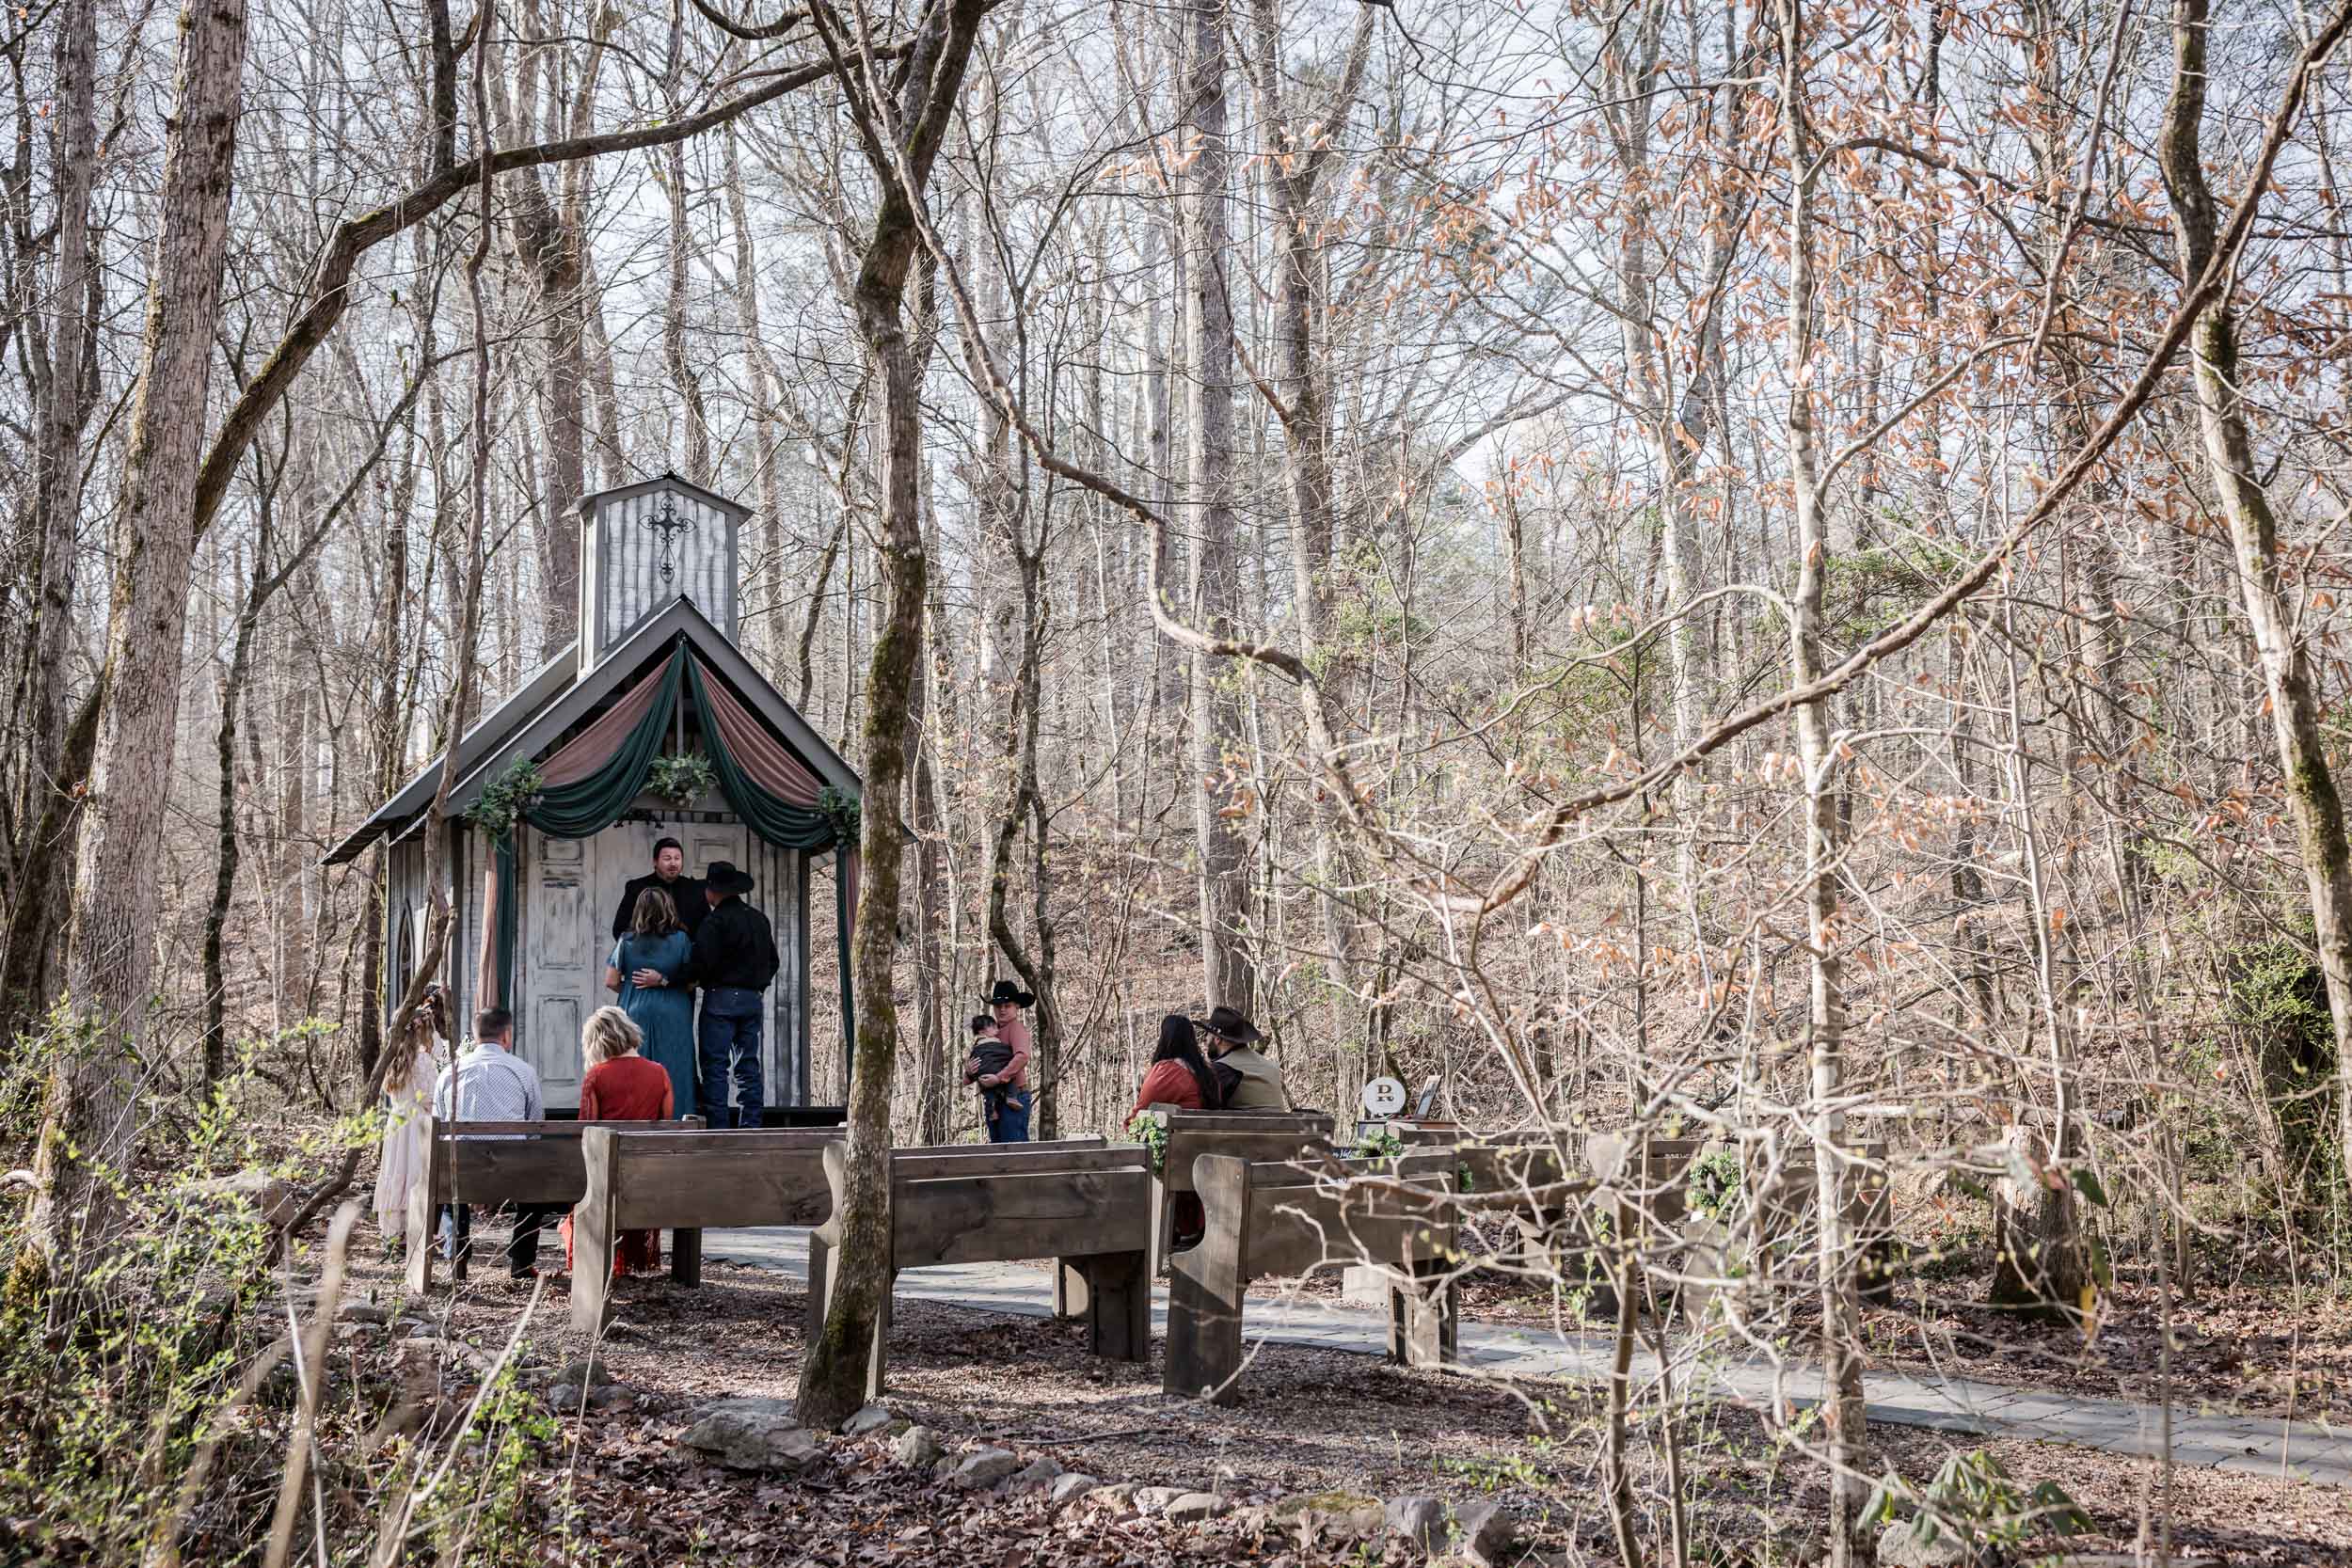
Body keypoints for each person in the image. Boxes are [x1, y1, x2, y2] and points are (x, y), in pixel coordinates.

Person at [432, 1007, 564, 1281]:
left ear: (475, 1035)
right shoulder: (523, 1071)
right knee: (534, 1195)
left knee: (449, 1190)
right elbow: (535, 1126)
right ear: (506, 1035)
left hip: (461, 1173)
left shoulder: (449, 1073)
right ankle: (521, 1261)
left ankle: (457, 1257)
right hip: (512, 1174)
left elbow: (439, 1125)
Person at [562, 1006, 675, 1277]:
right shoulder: (659, 1073)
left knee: (573, 1214)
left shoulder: (597, 1076)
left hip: (605, 1173)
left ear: (597, 1042)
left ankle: (594, 1258)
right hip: (645, 1172)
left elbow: (586, 1129)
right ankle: (634, 1259)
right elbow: (666, 1124)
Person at [689, 860, 778, 1128]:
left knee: (715, 1067)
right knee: (748, 1065)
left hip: (721, 998)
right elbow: (773, 961)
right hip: (752, 1000)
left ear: (712, 891)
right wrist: (758, 986)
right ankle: (751, 1125)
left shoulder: (714, 922)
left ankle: (719, 1128)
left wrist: (689, 979)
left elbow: (701, 962)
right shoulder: (759, 919)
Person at [605, 886, 696, 1116]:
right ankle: (678, 1121)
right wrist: (665, 981)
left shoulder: (626, 941)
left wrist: (630, 989)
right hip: (673, 1010)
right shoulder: (682, 940)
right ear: (669, 909)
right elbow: (691, 980)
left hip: (635, 1008)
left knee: (634, 1067)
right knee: (676, 1068)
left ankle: (637, 1121)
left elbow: (611, 980)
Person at [372, 984, 448, 1252]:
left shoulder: (393, 1059)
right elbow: (428, 1096)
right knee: (415, 1175)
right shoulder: (421, 1059)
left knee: (397, 1171)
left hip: (396, 1121)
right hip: (416, 1124)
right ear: (421, 1029)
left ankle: (394, 1232)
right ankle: (416, 1231)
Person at [612, 836, 707, 942]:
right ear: (655, 862)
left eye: (677, 858)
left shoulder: (695, 889)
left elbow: (705, 930)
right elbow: (620, 929)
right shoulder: (637, 888)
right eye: (667, 858)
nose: (673, 863)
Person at [1197, 1005, 1290, 1111]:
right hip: (1281, 1126)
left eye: (1207, 1035)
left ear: (1217, 1039)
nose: (1205, 1040)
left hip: (1245, 1127)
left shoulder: (1224, 1068)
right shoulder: (1271, 1066)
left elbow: (1203, 1106)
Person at [975, 980, 1035, 1142]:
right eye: (998, 1006)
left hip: (1014, 1098)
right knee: (998, 1153)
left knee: (1013, 1152)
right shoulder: (991, 1032)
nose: (1002, 1009)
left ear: (1016, 1006)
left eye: (1007, 1005)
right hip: (995, 1101)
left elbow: (1022, 1056)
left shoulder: (1015, 1028)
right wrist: (970, 1068)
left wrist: (998, 1078)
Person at [1131, 1013, 1221, 1117]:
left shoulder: (1166, 1073)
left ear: (1164, 1039)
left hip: (1178, 1132)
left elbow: (1137, 1116)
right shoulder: (1208, 1072)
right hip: (1205, 1131)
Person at [964, 1014, 1019, 1139]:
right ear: (982, 1031)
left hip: (983, 1073)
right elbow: (1010, 1055)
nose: (995, 1027)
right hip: (999, 1072)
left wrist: (971, 1072)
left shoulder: (975, 1047)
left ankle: (991, 1110)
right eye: (991, 1026)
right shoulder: (997, 1042)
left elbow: (972, 1061)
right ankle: (1011, 1097)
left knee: (987, 1090)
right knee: (1010, 1078)